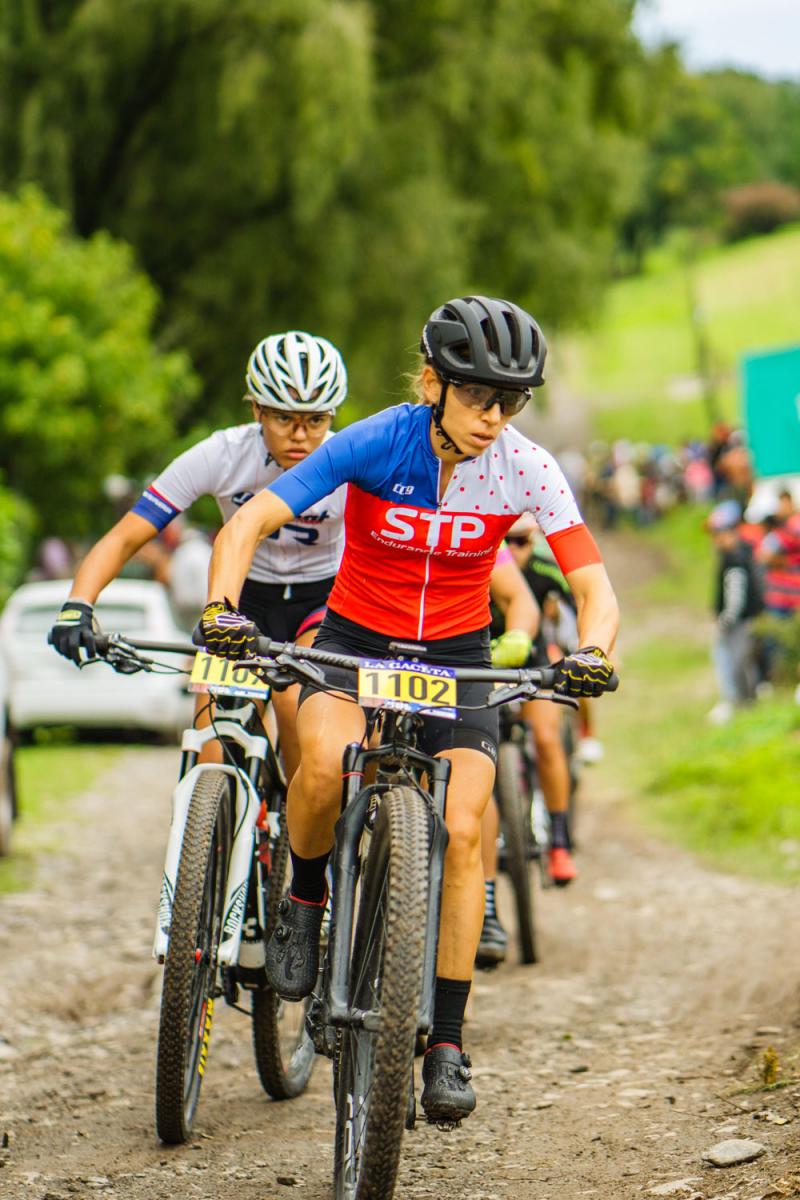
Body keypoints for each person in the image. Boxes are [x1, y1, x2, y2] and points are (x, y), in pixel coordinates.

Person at [195, 295, 619, 1124]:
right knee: (319, 760)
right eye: (477, 398)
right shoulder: (374, 440)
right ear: (433, 381)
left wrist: (595, 651)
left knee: (464, 828)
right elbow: (249, 523)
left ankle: (448, 1043)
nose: (494, 418)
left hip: (457, 662)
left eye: (511, 401)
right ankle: (303, 904)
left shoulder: (525, 466)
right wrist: (222, 608)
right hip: (353, 645)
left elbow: (593, 585)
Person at [48, 331, 348, 780]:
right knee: (209, 744)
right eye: (284, 418)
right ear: (256, 409)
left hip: (320, 599)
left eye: (316, 420)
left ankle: (299, 834)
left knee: (292, 704)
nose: (300, 435)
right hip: (241, 598)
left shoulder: (348, 460)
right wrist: (78, 604)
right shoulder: (223, 454)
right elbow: (127, 535)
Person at [706, 500, 763, 724]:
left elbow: (736, 594)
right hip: (744, 619)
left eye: (717, 534)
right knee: (740, 660)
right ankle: (744, 700)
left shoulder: (734, 559)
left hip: (739, 621)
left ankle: (738, 701)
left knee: (732, 660)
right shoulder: (740, 554)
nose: (714, 540)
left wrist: (725, 619)